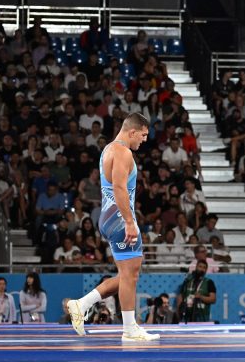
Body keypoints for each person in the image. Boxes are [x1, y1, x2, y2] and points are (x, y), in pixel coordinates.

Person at [66, 112, 160, 342]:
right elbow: (118, 187)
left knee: (129, 274)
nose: (145, 140)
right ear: (132, 131)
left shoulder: (109, 149)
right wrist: (129, 221)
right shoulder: (122, 151)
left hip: (110, 217)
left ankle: (82, 304)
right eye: (144, 135)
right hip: (118, 218)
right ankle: (129, 330)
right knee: (130, 274)